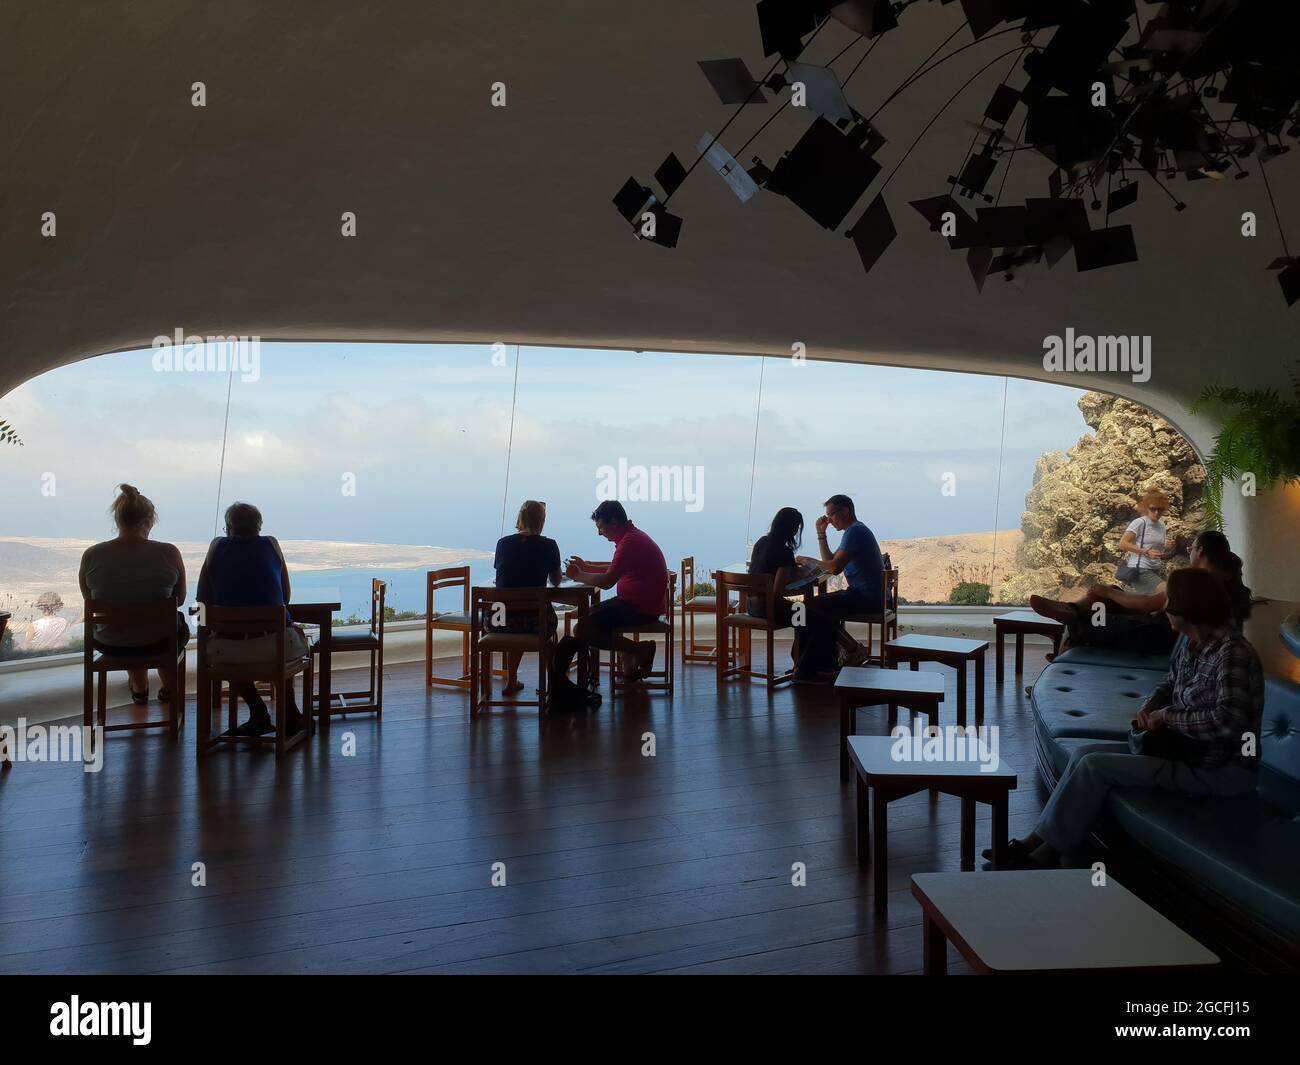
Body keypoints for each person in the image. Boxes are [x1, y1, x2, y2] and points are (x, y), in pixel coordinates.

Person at [992, 567, 1263, 869]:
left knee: (1095, 766)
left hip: (1216, 769)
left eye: (1169, 600)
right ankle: (1037, 842)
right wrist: (1152, 704)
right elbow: (1170, 682)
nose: (1164, 607)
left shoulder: (1232, 653)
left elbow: (1229, 722)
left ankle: (1046, 853)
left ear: (1186, 607)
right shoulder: (1193, 642)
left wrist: (1167, 717)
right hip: (1182, 751)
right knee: (1083, 753)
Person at [1029, 529, 1252, 655]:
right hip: (1160, 627)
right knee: (1111, 592)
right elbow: (1158, 601)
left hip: (1156, 634)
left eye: (1191, 548)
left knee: (1084, 621)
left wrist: (1108, 593)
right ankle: (1071, 610)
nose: (1190, 552)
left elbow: (1147, 604)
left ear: (1201, 551)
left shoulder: (1199, 582)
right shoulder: (1223, 581)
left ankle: (1065, 644)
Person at [196, 502, 306, 736]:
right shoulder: (272, 544)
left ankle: (258, 712)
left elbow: (201, 599)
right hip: (275, 649)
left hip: (228, 652)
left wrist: (205, 632)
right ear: (259, 526)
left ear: (228, 527)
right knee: (286, 636)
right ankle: (289, 711)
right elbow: (285, 596)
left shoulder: (216, 547)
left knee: (231, 652)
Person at [78, 484, 188, 703]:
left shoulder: (92, 555)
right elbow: (180, 599)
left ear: (117, 520)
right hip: (158, 642)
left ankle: (139, 687)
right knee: (172, 627)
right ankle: (168, 687)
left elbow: (89, 600)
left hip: (111, 644)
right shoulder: (168, 552)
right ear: (149, 521)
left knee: (128, 628)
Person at [559, 500, 667, 683]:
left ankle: (638, 650)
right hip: (636, 603)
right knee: (586, 616)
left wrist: (578, 574)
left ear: (614, 523)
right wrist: (587, 567)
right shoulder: (632, 537)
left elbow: (608, 581)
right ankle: (630, 654)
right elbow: (614, 568)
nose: (599, 533)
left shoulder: (629, 542)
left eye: (602, 528)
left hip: (639, 608)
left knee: (582, 628)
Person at [792, 494, 884, 684]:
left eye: (832, 515)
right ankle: (810, 663)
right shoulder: (854, 531)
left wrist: (804, 560)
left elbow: (834, 568)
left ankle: (808, 664)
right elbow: (830, 561)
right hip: (868, 595)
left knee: (806, 607)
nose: (829, 520)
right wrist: (821, 533)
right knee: (810, 608)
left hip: (866, 597)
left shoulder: (855, 532)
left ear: (846, 511)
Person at [493, 499, 562, 696]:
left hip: (499, 621)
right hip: (535, 622)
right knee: (544, 627)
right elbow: (556, 581)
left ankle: (512, 680)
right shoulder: (549, 545)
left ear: (520, 518)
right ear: (541, 520)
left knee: (518, 618)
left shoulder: (503, 543)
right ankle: (553, 683)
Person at [1115, 488, 1173, 594]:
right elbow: (1123, 543)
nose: (1156, 512)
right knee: (1166, 592)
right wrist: (1146, 552)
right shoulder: (1140, 522)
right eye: (1153, 509)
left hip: (1156, 569)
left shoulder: (1162, 525)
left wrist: (1167, 546)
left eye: (1160, 509)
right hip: (1140, 570)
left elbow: (1156, 548)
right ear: (1146, 508)